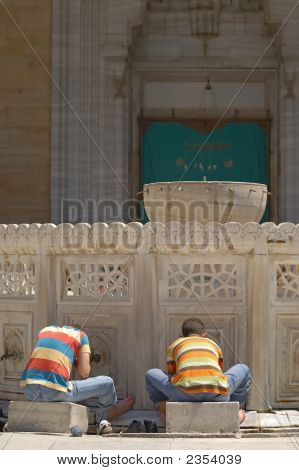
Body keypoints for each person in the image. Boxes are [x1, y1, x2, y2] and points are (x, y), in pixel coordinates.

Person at [20, 325, 134, 434]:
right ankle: (106, 414)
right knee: (108, 383)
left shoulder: (45, 330)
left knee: (61, 384)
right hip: (54, 392)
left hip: (29, 391)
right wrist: (82, 358)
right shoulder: (81, 335)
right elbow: (84, 372)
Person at [145, 318, 251, 423]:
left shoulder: (175, 344)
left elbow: (172, 375)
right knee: (243, 369)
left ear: (182, 337)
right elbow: (218, 372)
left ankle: (163, 407)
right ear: (204, 335)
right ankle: (233, 408)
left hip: (184, 395)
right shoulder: (213, 344)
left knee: (150, 374)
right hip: (217, 394)